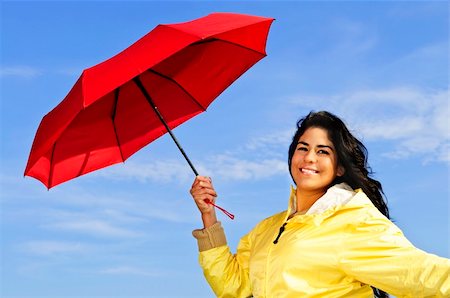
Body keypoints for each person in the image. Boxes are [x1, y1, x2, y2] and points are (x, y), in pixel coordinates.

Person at [190, 111, 450, 298]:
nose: (309, 158)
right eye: (303, 148)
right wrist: (208, 215)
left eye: (323, 151)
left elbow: (419, 274)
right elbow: (233, 288)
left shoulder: (353, 221)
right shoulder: (266, 229)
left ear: (339, 167)